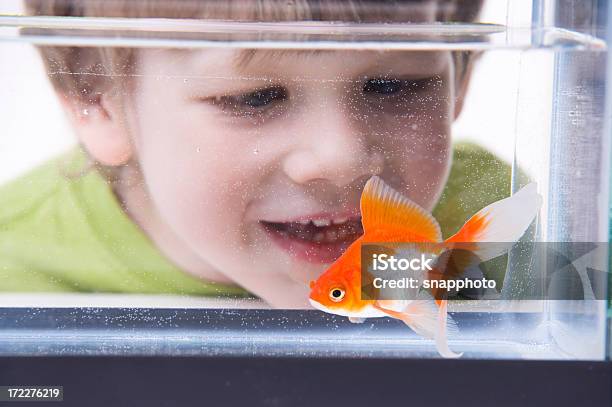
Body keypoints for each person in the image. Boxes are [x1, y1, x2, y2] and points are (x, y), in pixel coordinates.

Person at [0, 0, 509, 308]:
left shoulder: (488, 219)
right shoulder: (15, 262)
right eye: (253, 97)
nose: (342, 157)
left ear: (459, 76)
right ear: (97, 101)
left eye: (393, 86)